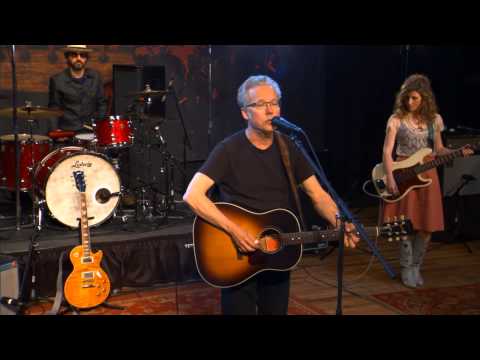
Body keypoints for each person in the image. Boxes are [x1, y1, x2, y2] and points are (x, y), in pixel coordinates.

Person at [183, 75, 359, 315]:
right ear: (245, 113)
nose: (270, 110)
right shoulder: (228, 150)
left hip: (278, 250)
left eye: (274, 103)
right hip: (236, 253)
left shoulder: (290, 147)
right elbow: (192, 195)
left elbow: (318, 194)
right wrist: (234, 230)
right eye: (261, 104)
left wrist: (340, 222)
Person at [381, 74, 474, 288]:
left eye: (414, 98)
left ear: (424, 98)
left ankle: (416, 266)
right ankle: (405, 268)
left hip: (427, 173)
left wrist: (457, 152)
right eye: (407, 98)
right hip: (402, 171)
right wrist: (389, 177)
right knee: (403, 224)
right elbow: (387, 151)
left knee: (427, 225)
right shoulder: (396, 119)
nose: (409, 102)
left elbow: (439, 149)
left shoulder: (435, 120)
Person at [48, 45, 107, 135]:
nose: (78, 58)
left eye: (82, 55)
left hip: (91, 130)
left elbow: (102, 104)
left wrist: (98, 125)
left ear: (86, 58)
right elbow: (54, 109)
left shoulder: (95, 77)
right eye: (74, 55)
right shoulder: (57, 80)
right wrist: (56, 132)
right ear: (67, 57)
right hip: (67, 131)